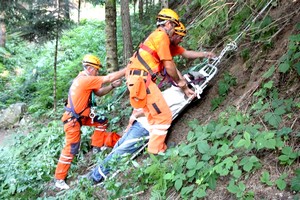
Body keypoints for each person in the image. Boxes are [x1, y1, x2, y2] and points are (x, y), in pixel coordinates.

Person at [89, 71, 205, 183]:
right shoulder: (173, 90)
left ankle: (95, 177)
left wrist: (137, 114)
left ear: (190, 84)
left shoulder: (179, 97)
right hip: (140, 122)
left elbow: (157, 109)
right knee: (119, 146)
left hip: (145, 127)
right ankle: (95, 173)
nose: (181, 79)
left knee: (121, 151)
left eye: (186, 78)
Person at [126, 8, 195, 155]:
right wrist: (182, 84)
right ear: (169, 24)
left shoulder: (156, 37)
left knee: (153, 117)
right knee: (163, 116)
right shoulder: (162, 37)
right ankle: (156, 151)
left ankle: (156, 145)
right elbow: (169, 65)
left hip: (138, 80)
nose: (174, 31)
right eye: (174, 27)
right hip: (142, 81)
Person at [55, 54, 126, 190]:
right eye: (96, 69)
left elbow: (98, 92)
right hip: (73, 120)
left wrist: (112, 86)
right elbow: (109, 77)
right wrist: (128, 69)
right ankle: (59, 179)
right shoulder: (84, 80)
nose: (97, 72)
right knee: (71, 148)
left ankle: (97, 146)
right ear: (88, 68)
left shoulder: (84, 78)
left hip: (81, 116)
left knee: (102, 121)